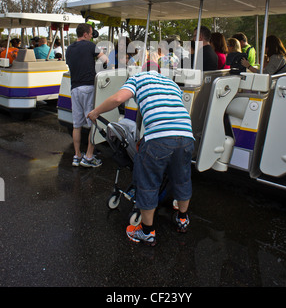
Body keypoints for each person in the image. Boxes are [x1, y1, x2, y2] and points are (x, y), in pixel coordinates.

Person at [87, 61, 194, 246]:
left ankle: (146, 232)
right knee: (182, 178)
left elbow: (118, 99)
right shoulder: (171, 83)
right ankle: (183, 219)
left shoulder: (138, 78)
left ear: (142, 70)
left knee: (148, 184)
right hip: (186, 135)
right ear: (159, 72)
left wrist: (96, 112)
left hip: (159, 138)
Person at [66, 23, 108, 168]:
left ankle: (77, 155)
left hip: (74, 88)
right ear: (85, 34)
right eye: (90, 34)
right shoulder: (91, 46)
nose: (91, 36)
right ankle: (89, 157)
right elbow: (106, 60)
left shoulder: (69, 49)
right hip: (88, 88)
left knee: (77, 125)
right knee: (93, 122)